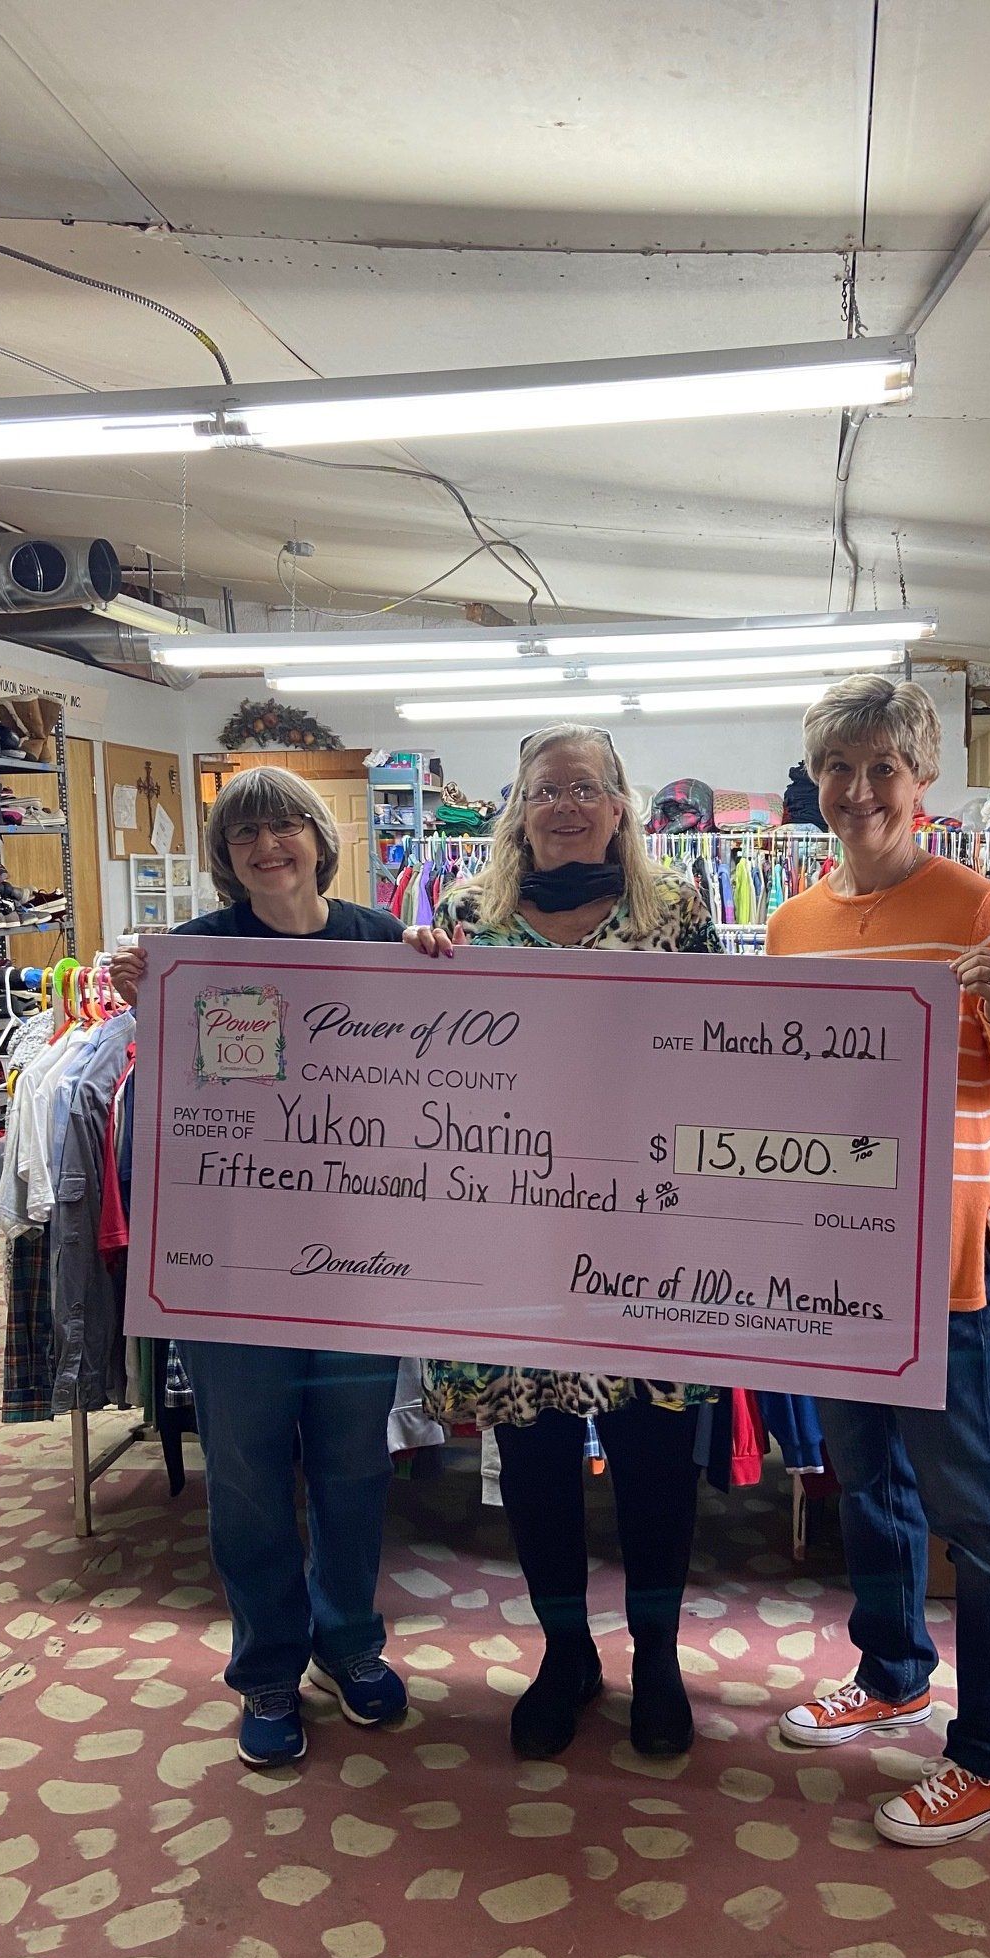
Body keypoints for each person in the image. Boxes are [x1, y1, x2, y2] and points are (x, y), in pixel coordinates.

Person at [766, 675, 990, 1845]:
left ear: (921, 778)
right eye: (838, 771)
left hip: (940, 1266)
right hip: (828, 1257)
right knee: (868, 1484)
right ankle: (893, 1668)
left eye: (880, 770)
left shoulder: (983, 905)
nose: (856, 793)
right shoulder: (792, 922)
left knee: (982, 1516)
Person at [405, 723, 722, 1760]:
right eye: (548, 790)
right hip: (509, 1235)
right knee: (532, 1447)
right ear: (519, 809)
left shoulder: (675, 915)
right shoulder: (463, 918)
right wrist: (415, 977)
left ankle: (659, 1656)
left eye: (588, 787)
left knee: (651, 1452)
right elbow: (420, 1065)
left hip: (649, 1233)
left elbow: (723, 1054)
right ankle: (564, 1653)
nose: (569, 805)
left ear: (620, 805)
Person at [111, 767, 409, 1769]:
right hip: (233, 1273)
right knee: (243, 1474)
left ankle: (351, 1644)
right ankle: (270, 1669)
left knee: (354, 1466)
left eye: (286, 825)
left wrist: (448, 964)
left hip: (359, 1263)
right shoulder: (190, 958)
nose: (268, 844)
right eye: (246, 834)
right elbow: (166, 1121)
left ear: (320, 837)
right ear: (225, 858)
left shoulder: (384, 942)